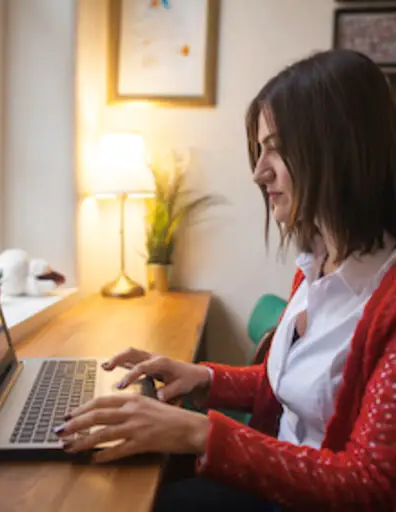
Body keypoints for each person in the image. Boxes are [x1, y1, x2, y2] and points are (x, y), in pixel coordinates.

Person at [54, 49, 396, 511]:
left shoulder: (386, 302)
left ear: (337, 148)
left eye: (276, 148)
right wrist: (200, 376)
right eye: (260, 150)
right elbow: (291, 388)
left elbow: (370, 486)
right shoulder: (316, 265)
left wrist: (199, 432)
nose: (259, 172)